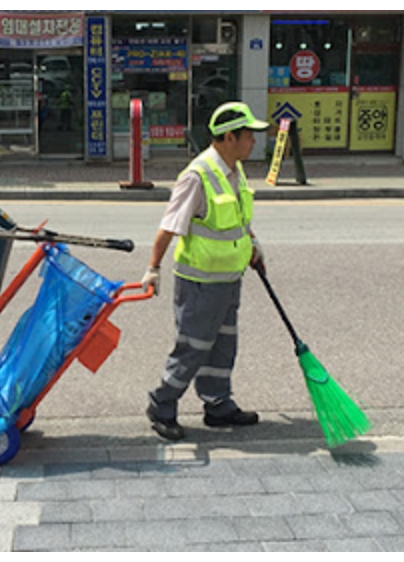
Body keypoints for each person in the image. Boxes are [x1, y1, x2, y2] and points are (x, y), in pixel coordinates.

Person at [140, 101, 268, 441]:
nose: (253, 141)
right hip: (199, 282)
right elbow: (169, 226)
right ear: (229, 137)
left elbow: (238, 220)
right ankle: (161, 404)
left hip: (228, 278)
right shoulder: (197, 176)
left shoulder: (235, 170)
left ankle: (217, 403)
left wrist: (253, 245)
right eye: (248, 135)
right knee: (193, 347)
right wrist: (153, 268)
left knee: (223, 346)